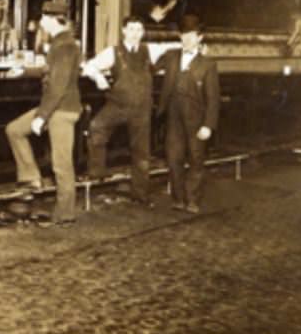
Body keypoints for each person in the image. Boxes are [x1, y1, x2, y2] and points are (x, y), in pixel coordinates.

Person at [5, 0, 82, 225]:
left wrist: (42, 116)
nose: (40, 22)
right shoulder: (61, 43)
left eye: (42, 18)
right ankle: (30, 179)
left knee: (61, 164)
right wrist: (24, 71)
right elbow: (50, 71)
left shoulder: (65, 46)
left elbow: (58, 85)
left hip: (62, 110)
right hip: (55, 107)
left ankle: (65, 214)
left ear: (51, 20)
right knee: (14, 130)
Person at [81, 15, 168, 208]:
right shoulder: (113, 52)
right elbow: (88, 66)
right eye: (131, 29)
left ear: (143, 32)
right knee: (96, 127)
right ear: (124, 31)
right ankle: (97, 173)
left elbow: (172, 50)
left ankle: (141, 194)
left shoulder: (149, 50)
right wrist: (98, 77)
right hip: (117, 106)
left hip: (142, 109)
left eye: (139, 30)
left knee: (141, 153)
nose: (135, 34)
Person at [155, 14, 220, 214]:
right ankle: (178, 199)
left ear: (200, 38)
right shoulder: (171, 56)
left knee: (196, 159)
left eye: (192, 35)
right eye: (184, 35)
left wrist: (208, 125)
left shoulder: (208, 64)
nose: (187, 39)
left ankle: (192, 200)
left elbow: (213, 98)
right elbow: (151, 66)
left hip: (196, 118)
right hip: (173, 116)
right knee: (173, 158)